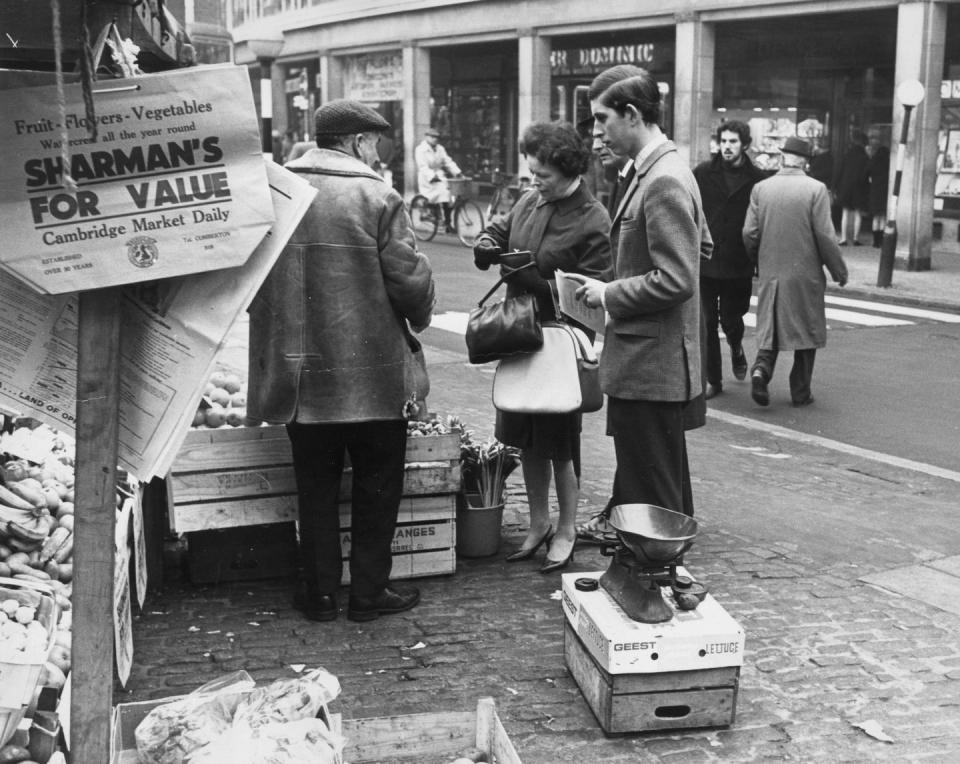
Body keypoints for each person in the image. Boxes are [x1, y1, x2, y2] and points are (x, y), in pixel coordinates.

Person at [247, 99, 436, 622]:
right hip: (372, 379)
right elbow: (409, 283)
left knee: (315, 489)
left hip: (300, 380)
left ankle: (321, 594)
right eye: (374, 142)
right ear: (356, 142)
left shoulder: (277, 189)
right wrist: (422, 308)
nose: (377, 152)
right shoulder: (376, 196)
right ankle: (369, 593)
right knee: (378, 490)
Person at [472, 120, 611, 573]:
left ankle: (567, 528)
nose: (534, 182)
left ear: (568, 171)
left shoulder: (592, 218)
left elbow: (596, 293)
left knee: (560, 444)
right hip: (521, 335)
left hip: (557, 342)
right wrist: (488, 241)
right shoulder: (532, 200)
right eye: (531, 172)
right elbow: (502, 225)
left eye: (542, 175)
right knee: (525, 439)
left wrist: (543, 283)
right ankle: (538, 523)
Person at [573, 69, 708, 520]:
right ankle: (649, 564)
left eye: (601, 118)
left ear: (631, 114)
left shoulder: (662, 178)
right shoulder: (656, 172)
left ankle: (655, 571)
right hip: (648, 357)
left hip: (652, 363)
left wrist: (610, 294)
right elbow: (702, 245)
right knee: (654, 480)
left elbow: (677, 278)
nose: (596, 132)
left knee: (654, 489)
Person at [742, 136, 848, 408]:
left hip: (771, 271)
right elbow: (825, 236)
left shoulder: (761, 188)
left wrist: (758, 260)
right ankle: (800, 391)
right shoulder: (816, 189)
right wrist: (838, 270)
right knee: (807, 329)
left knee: (770, 327)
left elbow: (749, 233)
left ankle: (760, 371)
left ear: (783, 157)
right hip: (805, 273)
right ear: (806, 161)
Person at [693, 121, 768, 399]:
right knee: (707, 321)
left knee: (731, 319)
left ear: (745, 144)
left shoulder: (758, 179)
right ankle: (714, 380)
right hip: (707, 259)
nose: (726, 147)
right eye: (723, 141)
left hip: (738, 261)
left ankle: (736, 346)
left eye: (733, 142)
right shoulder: (702, 173)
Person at [415, 127, 462, 232]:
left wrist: (457, 172)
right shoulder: (420, 149)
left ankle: (448, 222)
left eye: (437, 137)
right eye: (432, 137)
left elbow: (447, 161)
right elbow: (422, 167)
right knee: (443, 194)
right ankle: (432, 214)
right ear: (427, 137)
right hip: (427, 178)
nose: (435, 139)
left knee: (450, 197)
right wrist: (432, 176)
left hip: (440, 176)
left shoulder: (440, 148)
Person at [833, 129, 870, 245]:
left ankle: (843, 238)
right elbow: (866, 174)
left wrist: (834, 187)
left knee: (845, 212)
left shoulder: (847, 154)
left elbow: (839, 171)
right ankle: (855, 238)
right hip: (859, 187)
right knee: (858, 213)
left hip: (846, 187)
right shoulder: (865, 157)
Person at [866, 129, 891, 248]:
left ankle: (875, 241)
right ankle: (882, 240)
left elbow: (867, 173)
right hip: (885, 190)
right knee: (883, 217)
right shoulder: (888, 164)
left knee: (876, 217)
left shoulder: (874, 161)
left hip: (875, 190)